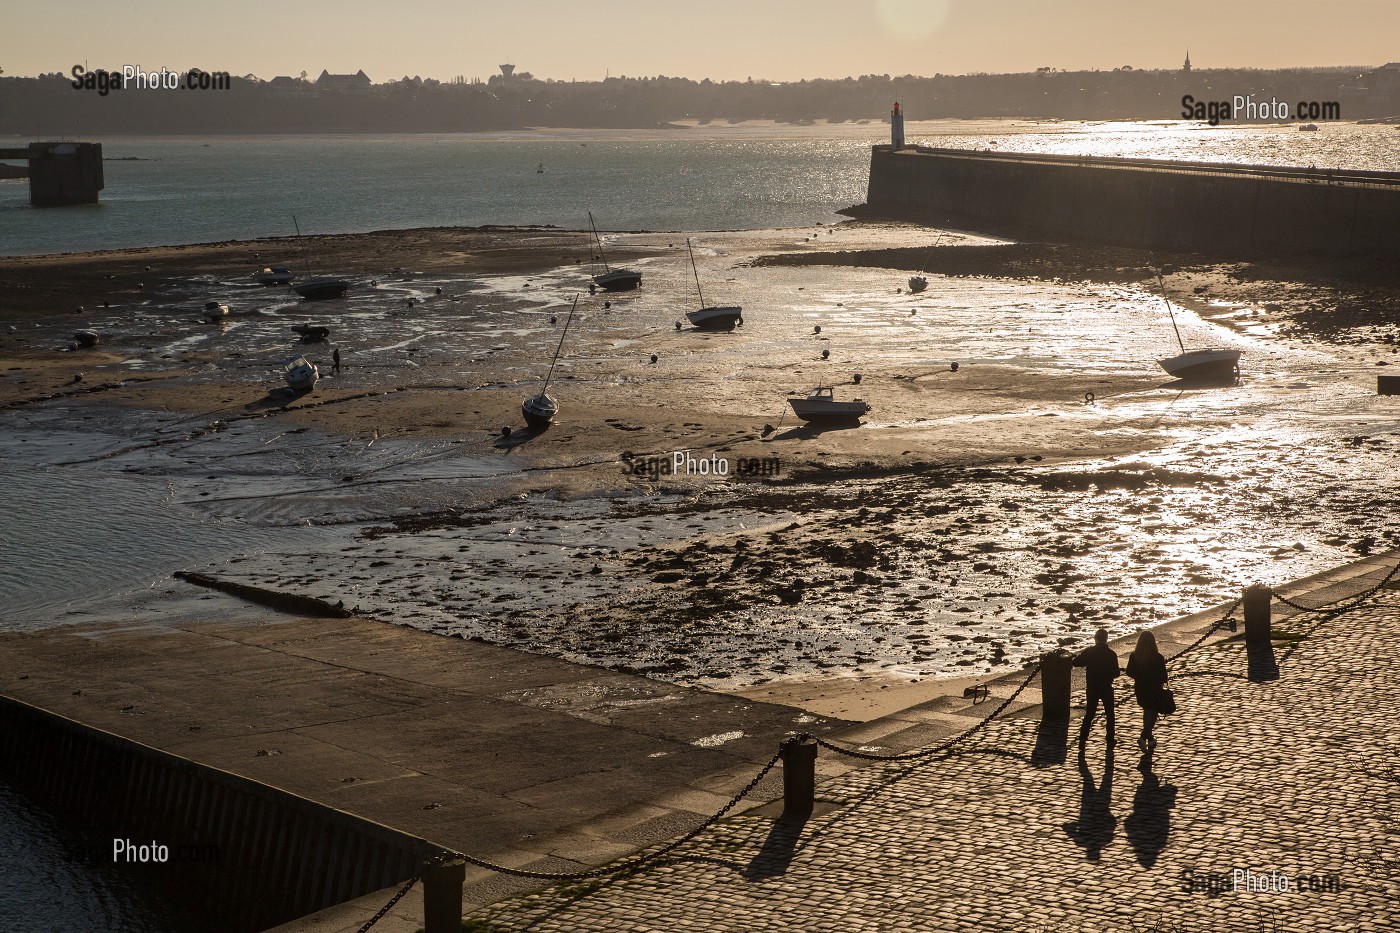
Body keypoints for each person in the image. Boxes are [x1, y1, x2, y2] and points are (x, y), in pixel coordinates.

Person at [1074, 628, 1120, 749]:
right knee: (1110, 714)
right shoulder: (1111, 654)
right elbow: (1116, 673)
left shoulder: (1089, 652)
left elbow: (1076, 663)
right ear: (1106, 639)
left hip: (1092, 687)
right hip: (1106, 687)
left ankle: (1082, 739)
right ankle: (1110, 739)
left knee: (1089, 713)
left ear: (1095, 639)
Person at [1126, 630, 1169, 752]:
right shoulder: (1158, 658)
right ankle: (1143, 737)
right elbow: (1163, 677)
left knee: (1147, 713)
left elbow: (1129, 672)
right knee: (1153, 715)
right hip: (1154, 690)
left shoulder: (1134, 656)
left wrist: (1139, 676)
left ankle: (1150, 740)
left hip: (1140, 689)